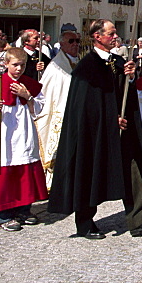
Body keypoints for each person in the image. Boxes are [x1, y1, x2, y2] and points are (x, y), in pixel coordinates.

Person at [48, 19, 142, 239]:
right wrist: (110, 120)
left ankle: (138, 220)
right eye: (111, 33)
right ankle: (85, 222)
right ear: (97, 37)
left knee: (131, 171)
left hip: (122, 130)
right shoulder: (86, 67)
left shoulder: (118, 60)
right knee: (90, 173)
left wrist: (129, 75)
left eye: (115, 33)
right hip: (96, 133)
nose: (115, 36)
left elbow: (120, 93)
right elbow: (85, 107)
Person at [0, 48, 48, 231]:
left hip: (23, 133)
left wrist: (27, 96)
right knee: (4, 173)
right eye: (15, 65)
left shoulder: (29, 84)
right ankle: (4, 214)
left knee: (24, 173)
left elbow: (39, 108)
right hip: (2, 134)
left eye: (22, 65)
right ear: (6, 64)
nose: (19, 69)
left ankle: (24, 209)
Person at [33, 29, 81, 190]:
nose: (75, 45)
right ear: (61, 44)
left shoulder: (79, 61)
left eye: (77, 41)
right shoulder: (55, 67)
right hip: (59, 114)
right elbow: (46, 93)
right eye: (71, 41)